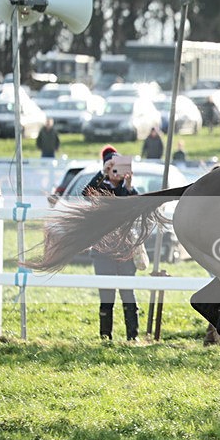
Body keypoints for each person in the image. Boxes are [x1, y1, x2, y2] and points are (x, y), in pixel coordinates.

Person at [83, 145, 140, 342]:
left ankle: (133, 335)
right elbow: (86, 194)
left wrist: (130, 186)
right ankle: (105, 336)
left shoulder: (128, 190)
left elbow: (136, 207)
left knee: (128, 293)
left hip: (125, 250)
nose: (116, 172)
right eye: (113, 168)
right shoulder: (100, 188)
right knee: (106, 294)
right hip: (102, 251)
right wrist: (103, 173)